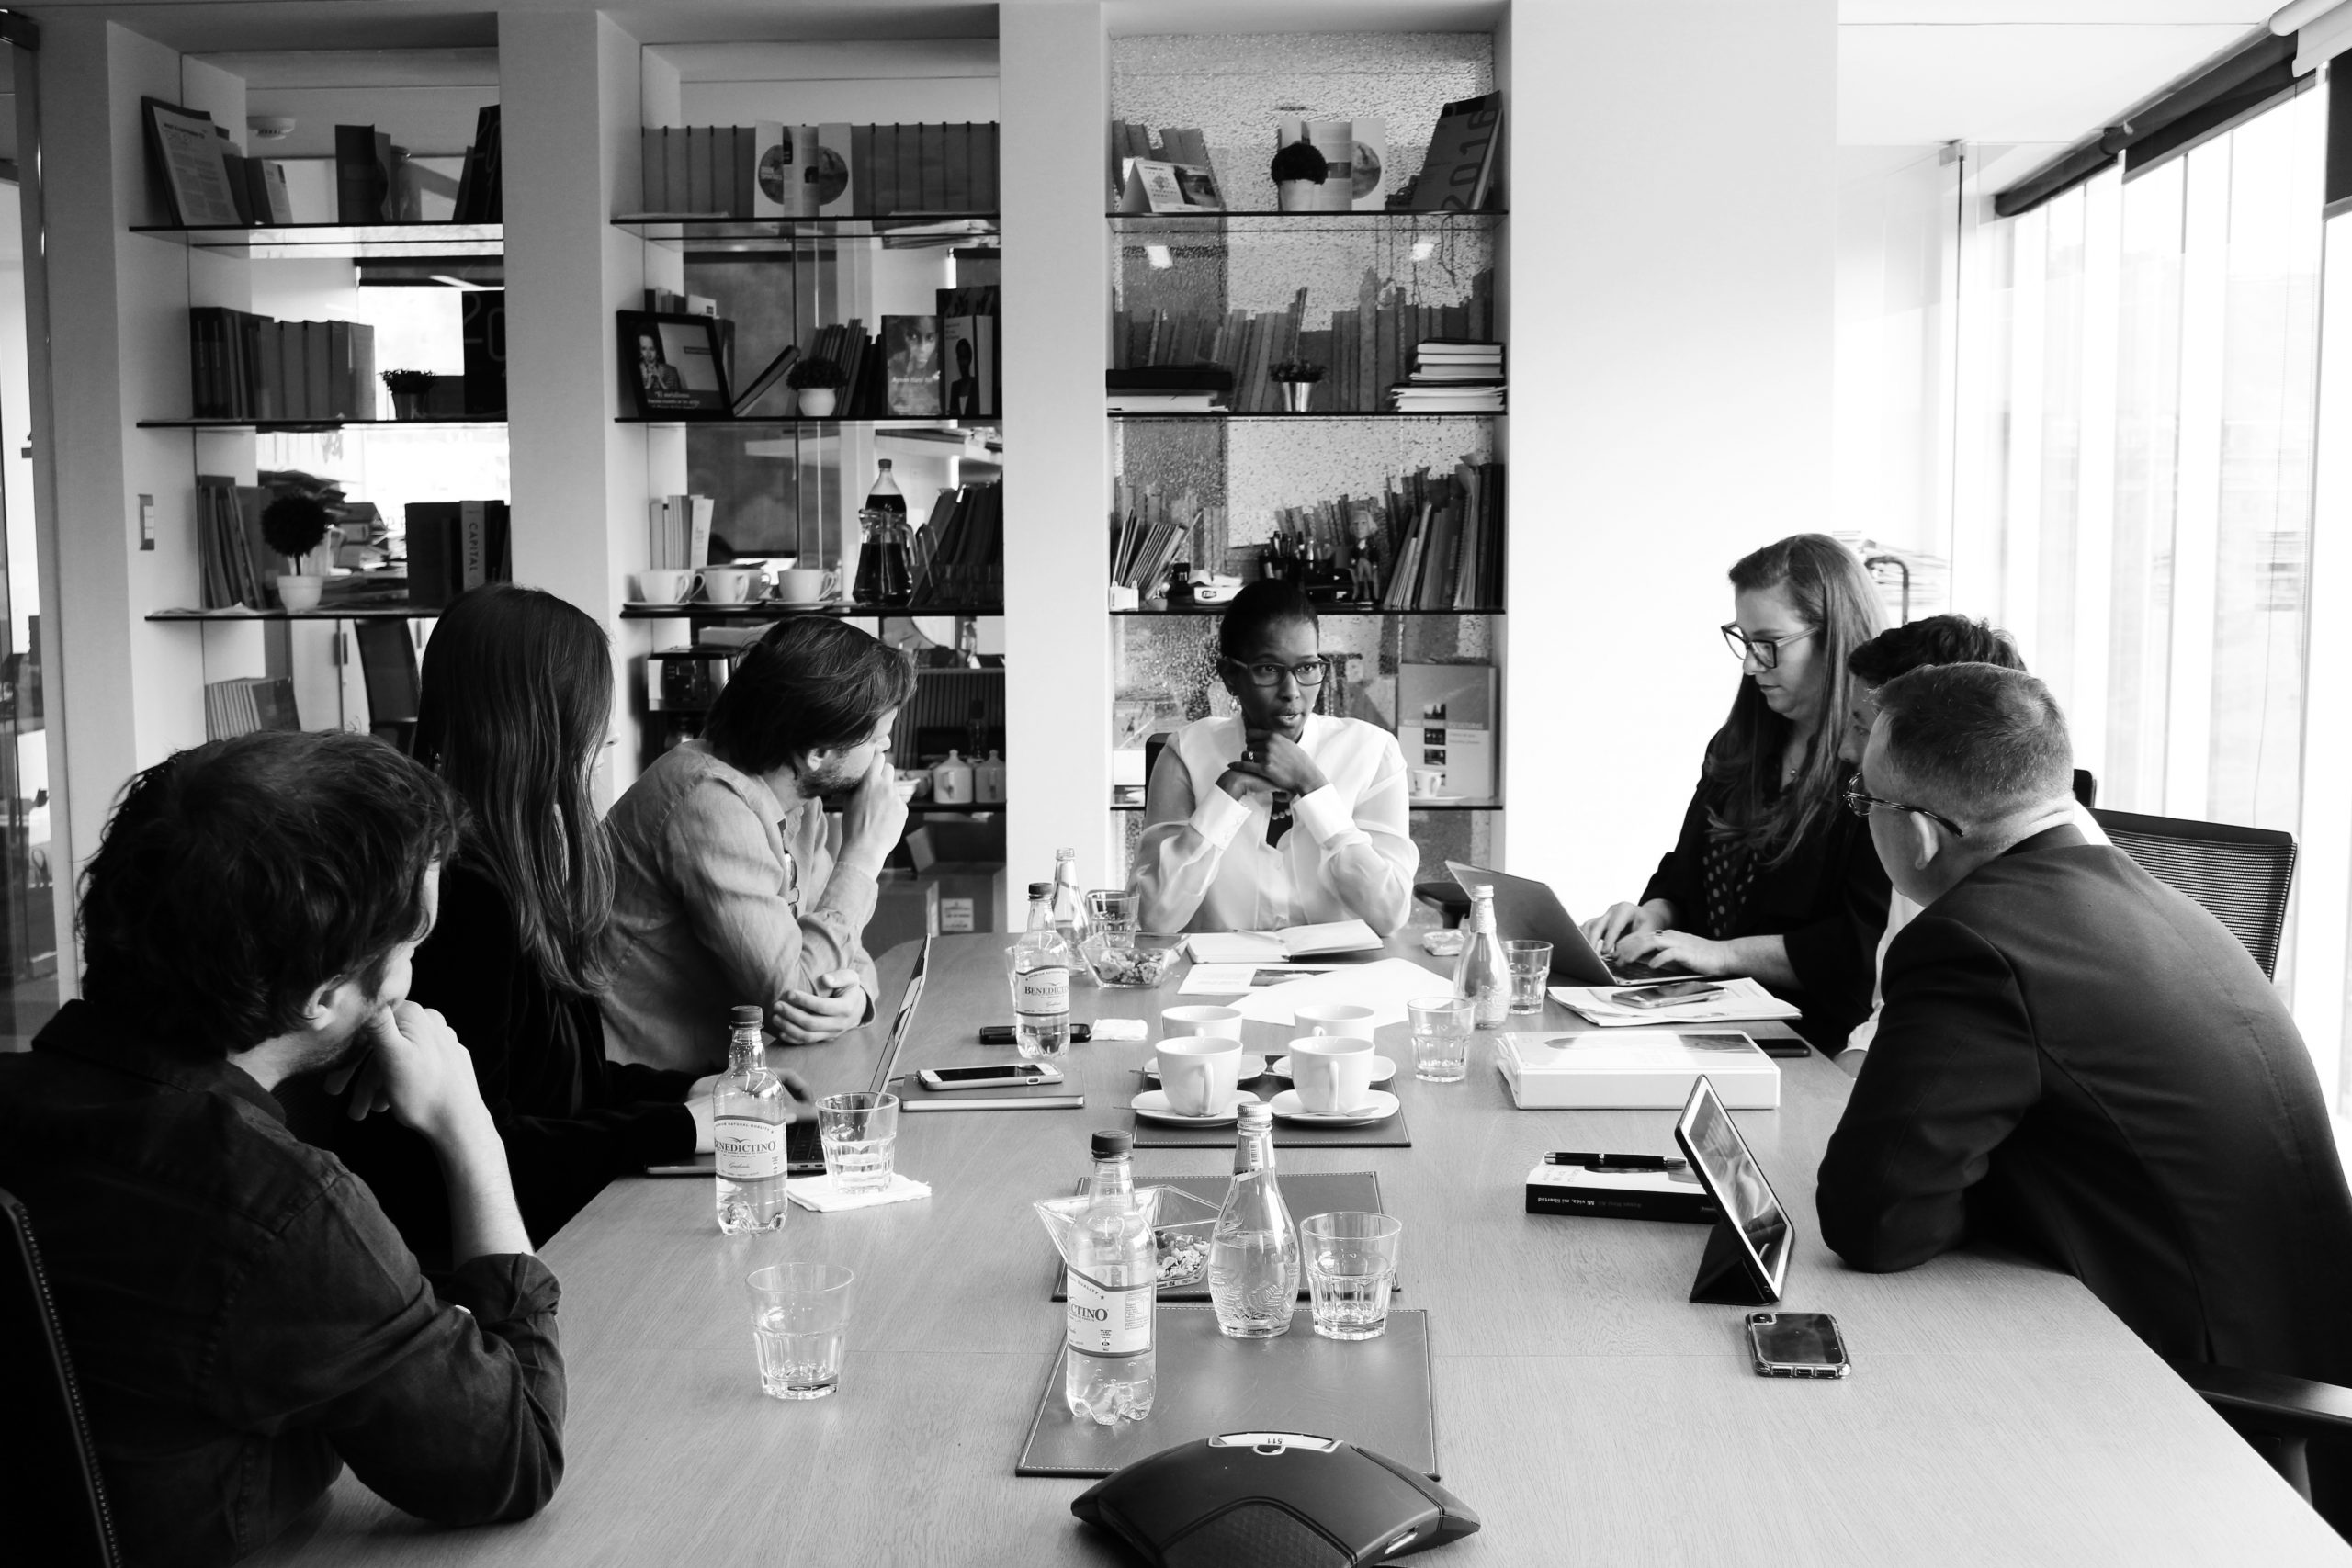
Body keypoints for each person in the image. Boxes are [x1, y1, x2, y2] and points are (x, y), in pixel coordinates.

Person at [0, 731, 564, 1568]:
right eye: (409, 951)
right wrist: (470, 1132)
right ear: (321, 997)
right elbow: (514, 1455)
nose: (410, 982)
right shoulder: (282, 1211)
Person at [1816, 664, 2352, 1406]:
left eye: (1864, 799)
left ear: (1918, 832)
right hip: (2297, 1364)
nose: (1861, 814)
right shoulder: (2159, 901)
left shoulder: (1975, 943)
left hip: (2199, 1399)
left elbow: (1876, 1221)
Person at [304, 586, 808, 1258]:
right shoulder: (461, 899)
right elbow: (489, 1147)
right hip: (476, 1257)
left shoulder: (517, 870)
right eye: (592, 715)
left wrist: (700, 1090)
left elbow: (562, 1087)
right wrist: (683, 1127)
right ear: (536, 727)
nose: (609, 736)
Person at [1582, 534, 1891, 1047]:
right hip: (1702, 1023)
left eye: (1769, 644)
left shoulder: (1878, 768)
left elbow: (1860, 948)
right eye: (1744, 641)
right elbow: (1686, 871)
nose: (1750, 664)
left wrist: (1723, 955)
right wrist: (1653, 914)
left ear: (1837, 637)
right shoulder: (1738, 744)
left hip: (1809, 1043)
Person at [604, 615, 913, 1072]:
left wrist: (856, 998)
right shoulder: (709, 801)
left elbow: (834, 942)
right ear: (818, 752)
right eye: (878, 742)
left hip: (738, 1077)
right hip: (652, 1091)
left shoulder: (799, 801)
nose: (883, 758)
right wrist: (864, 855)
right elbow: (796, 995)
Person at [1833, 614, 2107, 1068]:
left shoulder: (1971, 887)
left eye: (1863, 727)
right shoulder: (1959, 839)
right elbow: (1894, 1017)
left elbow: (1922, 1062)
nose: (1846, 750)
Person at [1132, 580, 1417, 935]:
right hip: (1220, 969)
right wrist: (1225, 795)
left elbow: (1389, 916)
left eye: (1307, 668)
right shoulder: (1187, 754)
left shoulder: (1372, 752)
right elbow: (1155, 919)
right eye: (1268, 669)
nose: (1291, 691)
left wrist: (1313, 788)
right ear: (1230, 676)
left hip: (1339, 969)